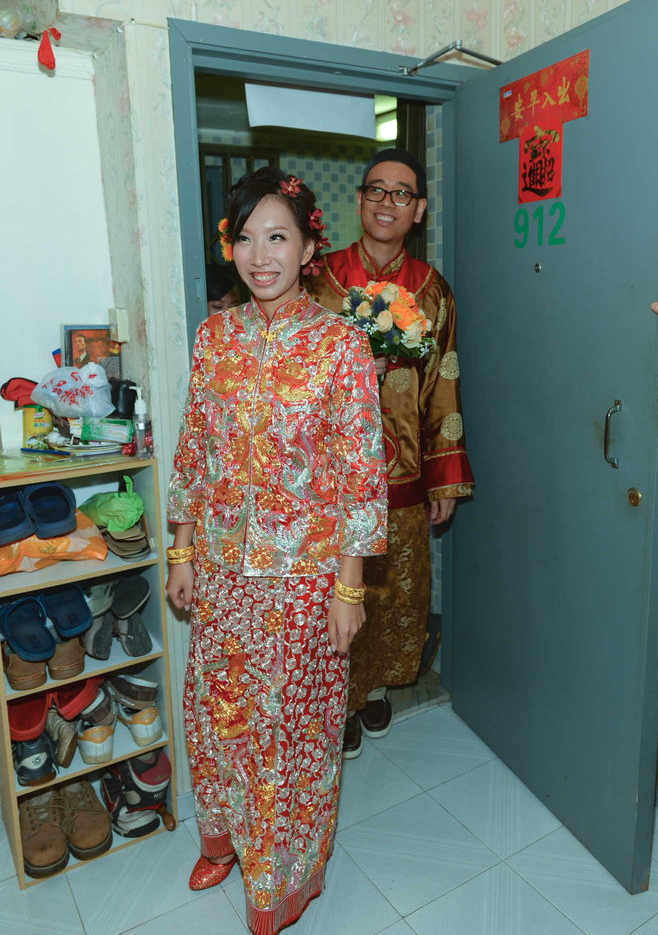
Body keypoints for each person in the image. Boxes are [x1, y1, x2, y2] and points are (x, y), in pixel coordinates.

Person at [166, 166, 387, 935]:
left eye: (278, 238)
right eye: (246, 238)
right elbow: (194, 449)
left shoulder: (341, 346)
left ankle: (282, 880)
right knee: (216, 716)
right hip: (222, 572)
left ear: (308, 247)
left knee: (291, 737)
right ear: (230, 247)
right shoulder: (213, 337)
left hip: (304, 581)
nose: (261, 256)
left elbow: (362, 476)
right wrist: (182, 551)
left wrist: (349, 590)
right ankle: (223, 841)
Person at [307, 148, 475, 758]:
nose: (387, 202)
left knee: (391, 593)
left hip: (400, 473)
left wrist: (444, 476)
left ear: (419, 209)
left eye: (401, 193)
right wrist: (350, 369)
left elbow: (444, 383)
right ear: (359, 201)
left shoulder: (432, 291)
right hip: (323, 476)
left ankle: (373, 689)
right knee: (330, 590)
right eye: (376, 190)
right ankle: (338, 699)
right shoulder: (317, 280)